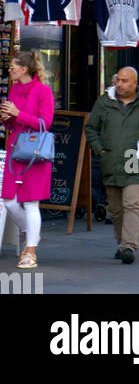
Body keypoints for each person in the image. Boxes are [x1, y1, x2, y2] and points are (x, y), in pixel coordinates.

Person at [84, 66, 139, 264]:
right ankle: (121, 242)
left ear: (135, 83)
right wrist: (99, 150)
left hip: (135, 162)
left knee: (132, 204)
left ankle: (129, 246)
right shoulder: (104, 102)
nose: (119, 84)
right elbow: (91, 128)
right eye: (118, 80)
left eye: (125, 81)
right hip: (111, 161)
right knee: (116, 209)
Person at [0, 50, 55, 268]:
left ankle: (30, 251)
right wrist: (7, 119)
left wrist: (17, 113)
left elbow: (45, 123)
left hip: (34, 153)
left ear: (24, 69)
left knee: (31, 203)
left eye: (12, 67)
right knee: (9, 201)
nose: (10, 70)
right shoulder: (14, 89)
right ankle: (31, 232)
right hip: (16, 149)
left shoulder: (43, 91)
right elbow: (14, 123)